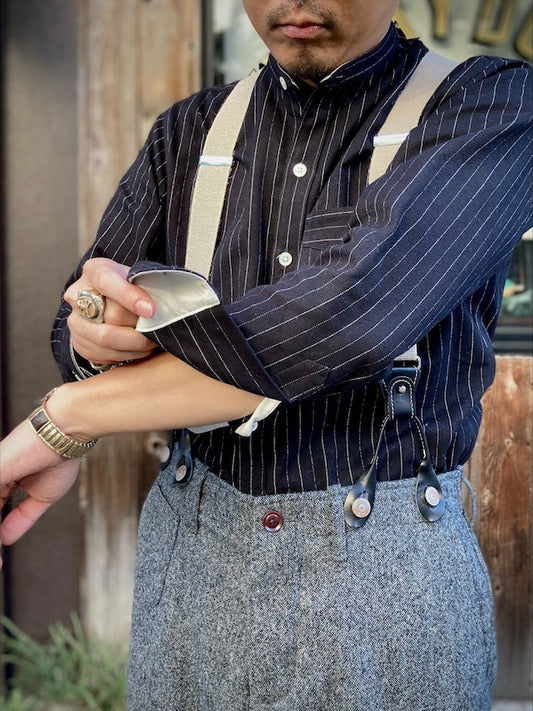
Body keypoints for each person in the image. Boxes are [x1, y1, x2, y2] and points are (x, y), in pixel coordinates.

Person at [1, 0, 531, 708]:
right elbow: (75, 323)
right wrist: (98, 331)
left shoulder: (492, 103)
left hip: (389, 578)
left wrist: (68, 416)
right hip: (192, 561)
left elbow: (343, 319)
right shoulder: (186, 130)